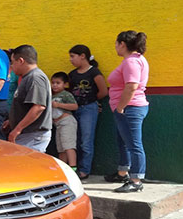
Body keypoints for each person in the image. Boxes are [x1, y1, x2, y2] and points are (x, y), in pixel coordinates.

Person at [105, 30, 149, 193]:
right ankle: (123, 173)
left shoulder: (132, 62)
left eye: (116, 44)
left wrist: (120, 107)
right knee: (123, 141)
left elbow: (131, 86)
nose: (115, 47)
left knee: (134, 144)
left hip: (130, 108)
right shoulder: (135, 60)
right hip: (128, 108)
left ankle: (136, 180)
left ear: (122, 44)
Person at [68, 44, 108, 180]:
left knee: (86, 140)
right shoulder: (72, 75)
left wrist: (92, 101)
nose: (71, 60)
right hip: (75, 108)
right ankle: (75, 167)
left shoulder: (94, 72)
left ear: (82, 56)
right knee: (76, 139)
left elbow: (103, 91)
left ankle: (84, 170)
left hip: (89, 109)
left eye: (72, 56)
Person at [2, 45, 52, 152]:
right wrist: (12, 121)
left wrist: (17, 129)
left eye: (12, 62)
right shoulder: (28, 77)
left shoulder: (35, 78)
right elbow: (26, 106)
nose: (11, 66)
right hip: (28, 134)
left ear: (21, 61)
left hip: (32, 135)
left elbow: (38, 107)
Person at [50, 72, 78, 168]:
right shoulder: (51, 96)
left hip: (67, 122)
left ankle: (73, 167)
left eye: (58, 83)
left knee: (68, 145)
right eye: (53, 83)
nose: (55, 85)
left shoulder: (66, 94)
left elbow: (75, 106)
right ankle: (63, 168)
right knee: (61, 148)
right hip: (57, 124)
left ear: (65, 84)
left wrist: (59, 105)